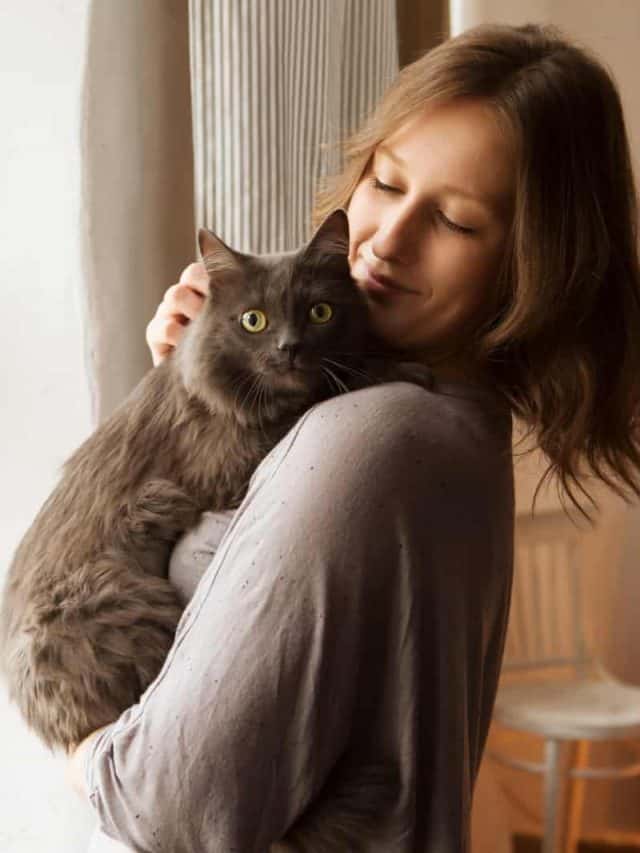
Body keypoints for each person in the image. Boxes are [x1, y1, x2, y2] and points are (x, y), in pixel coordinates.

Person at [66, 21, 640, 852]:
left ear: (534, 268)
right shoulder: (444, 414)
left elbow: (168, 806)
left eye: (456, 221)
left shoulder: (374, 442)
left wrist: (81, 755)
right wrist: (196, 390)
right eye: (385, 181)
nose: (383, 241)